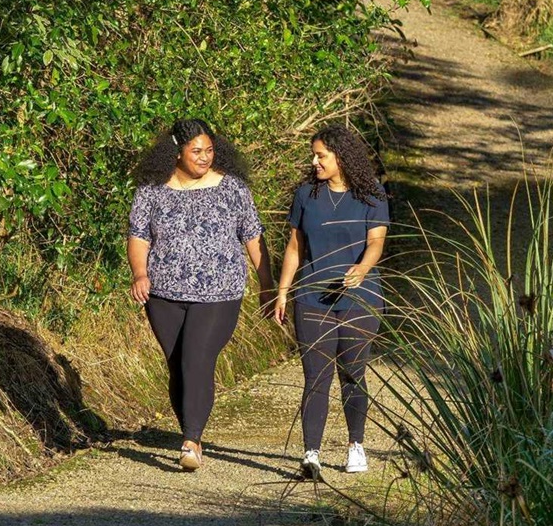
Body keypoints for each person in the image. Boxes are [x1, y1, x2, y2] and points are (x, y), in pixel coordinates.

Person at [128, 118, 275, 471]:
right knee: (178, 365)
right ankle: (190, 432)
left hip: (219, 292)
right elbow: (138, 236)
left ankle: (191, 441)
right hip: (163, 294)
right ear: (176, 152)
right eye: (196, 151)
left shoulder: (233, 188)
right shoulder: (151, 190)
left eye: (209, 150)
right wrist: (139, 273)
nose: (204, 157)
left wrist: (268, 284)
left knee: (196, 356)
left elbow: (253, 238)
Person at [273, 125, 389, 480]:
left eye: (321, 155)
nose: (315, 161)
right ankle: (311, 455)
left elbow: (376, 242)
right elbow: (294, 248)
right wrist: (282, 291)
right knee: (315, 378)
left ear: (341, 156)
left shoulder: (373, 195)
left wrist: (361, 269)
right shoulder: (306, 194)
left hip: (360, 298)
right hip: (311, 298)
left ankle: (356, 444)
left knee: (353, 373)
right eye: (314, 155)